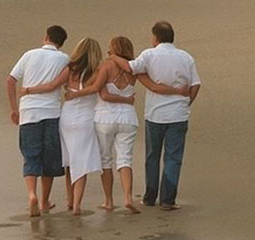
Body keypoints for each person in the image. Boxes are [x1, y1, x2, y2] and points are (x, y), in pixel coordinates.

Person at [64, 36, 188, 214]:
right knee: (125, 160)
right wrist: (177, 91)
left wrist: (75, 94)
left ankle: (108, 201)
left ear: (114, 49)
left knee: (106, 160)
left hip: (105, 118)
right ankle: (128, 198)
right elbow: (153, 86)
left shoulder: (105, 66)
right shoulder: (135, 70)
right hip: (128, 119)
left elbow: (99, 91)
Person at [110, 21, 201, 210]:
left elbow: (129, 67)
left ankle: (150, 196)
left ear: (155, 38)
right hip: (178, 114)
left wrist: (113, 56)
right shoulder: (186, 57)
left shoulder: (149, 54)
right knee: (173, 157)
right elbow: (195, 84)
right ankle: (168, 199)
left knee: (152, 156)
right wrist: (187, 102)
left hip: (155, 114)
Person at [22, 38, 106, 215]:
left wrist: (29, 90)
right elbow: (97, 88)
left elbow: (53, 85)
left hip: (66, 117)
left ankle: (70, 201)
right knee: (80, 162)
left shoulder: (70, 68)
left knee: (69, 161)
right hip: (85, 117)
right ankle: (76, 205)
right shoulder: (98, 69)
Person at [6, 25, 70, 217]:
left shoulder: (29, 54)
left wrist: (13, 109)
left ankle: (31, 194)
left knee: (31, 155)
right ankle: (44, 201)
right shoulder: (64, 58)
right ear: (61, 43)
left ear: (46, 37)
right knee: (49, 158)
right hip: (51, 112)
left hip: (28, 111)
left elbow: (10, 80)